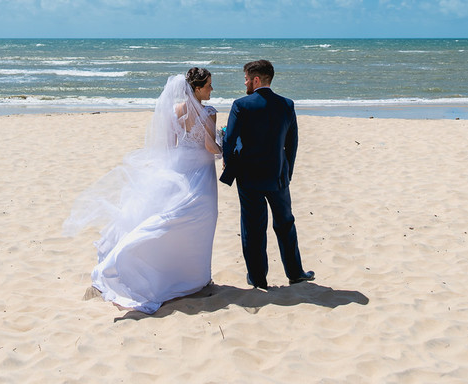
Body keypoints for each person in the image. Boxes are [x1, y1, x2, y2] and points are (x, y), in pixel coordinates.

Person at [64, 67, 220, 314]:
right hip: (201, 173)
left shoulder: (175, 111)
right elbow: (211, 147)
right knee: (199, 221)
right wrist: (222, 144)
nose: (212, 89)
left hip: (178, 170)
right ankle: (194, 277)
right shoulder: (208, 112)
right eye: (209, 85)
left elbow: (169, 147)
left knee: (177, 216)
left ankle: (168, 270)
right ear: (198, 88)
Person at [219, 59, 314, 289]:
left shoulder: (241, 105)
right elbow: (292, 143)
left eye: (246, 79)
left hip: (249, 177)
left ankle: (258, 278)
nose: (245, 83)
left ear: (256, 80)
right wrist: (287, 171)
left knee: (253, 228)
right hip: (278, 176)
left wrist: (228, 164)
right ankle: (295, 273)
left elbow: (229, 140)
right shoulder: (287, 105)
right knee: (285, 224)